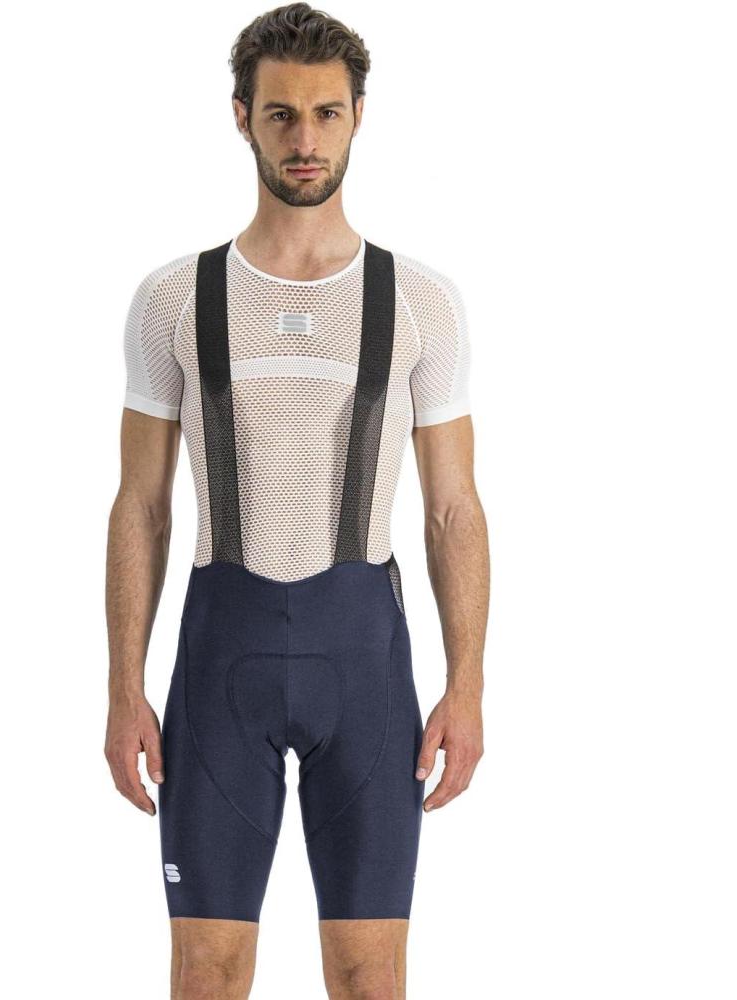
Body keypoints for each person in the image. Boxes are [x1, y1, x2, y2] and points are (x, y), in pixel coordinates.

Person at [104, 4, 489, 997]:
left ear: (358, 116)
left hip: (365, 666)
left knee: (369, 974)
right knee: (206, 972)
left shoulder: (419, 301)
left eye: (326, 113)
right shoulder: (175, 298)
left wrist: (467, 687)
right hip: (218, 663)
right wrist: (122, 687)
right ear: (242, 117)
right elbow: (140, 505)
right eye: (281, 114)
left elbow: (453, 509)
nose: (305, 139)